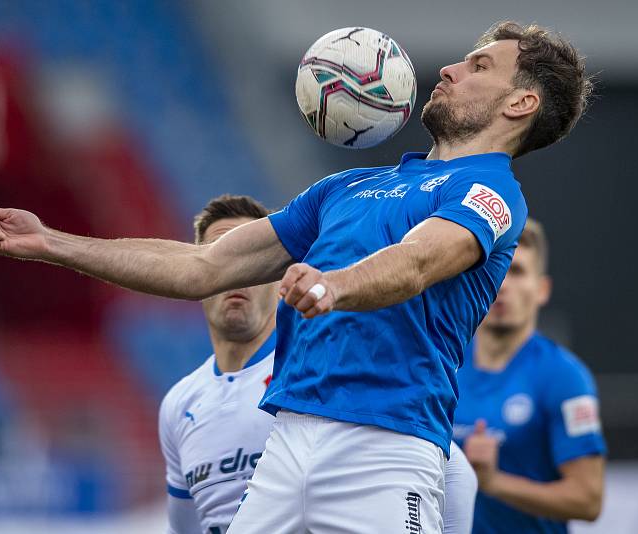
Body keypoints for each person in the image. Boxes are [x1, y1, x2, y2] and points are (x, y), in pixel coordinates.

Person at [0, 21, 591, 533]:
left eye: (479, 66)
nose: (452, 69)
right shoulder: (346, 188)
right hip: (287, 442)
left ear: (521, 103)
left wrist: (335, 285)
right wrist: (53, 242)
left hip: (385, 450)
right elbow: (203, 266)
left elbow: (421, 259)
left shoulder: (490, 191)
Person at [160, 194, 477, 534]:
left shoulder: (316, 370)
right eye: (223, 266)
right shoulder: (180, 404)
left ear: (276, 276)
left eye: (246, 266)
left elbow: (453, 471)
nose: (236, 280)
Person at [455, 218, 606, 533]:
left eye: (517, 271)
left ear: (541, 290)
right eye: (495, 268)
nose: (503, 284)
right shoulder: (444, 364)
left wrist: (495, 482)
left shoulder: (565, 378)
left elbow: (588, 500)